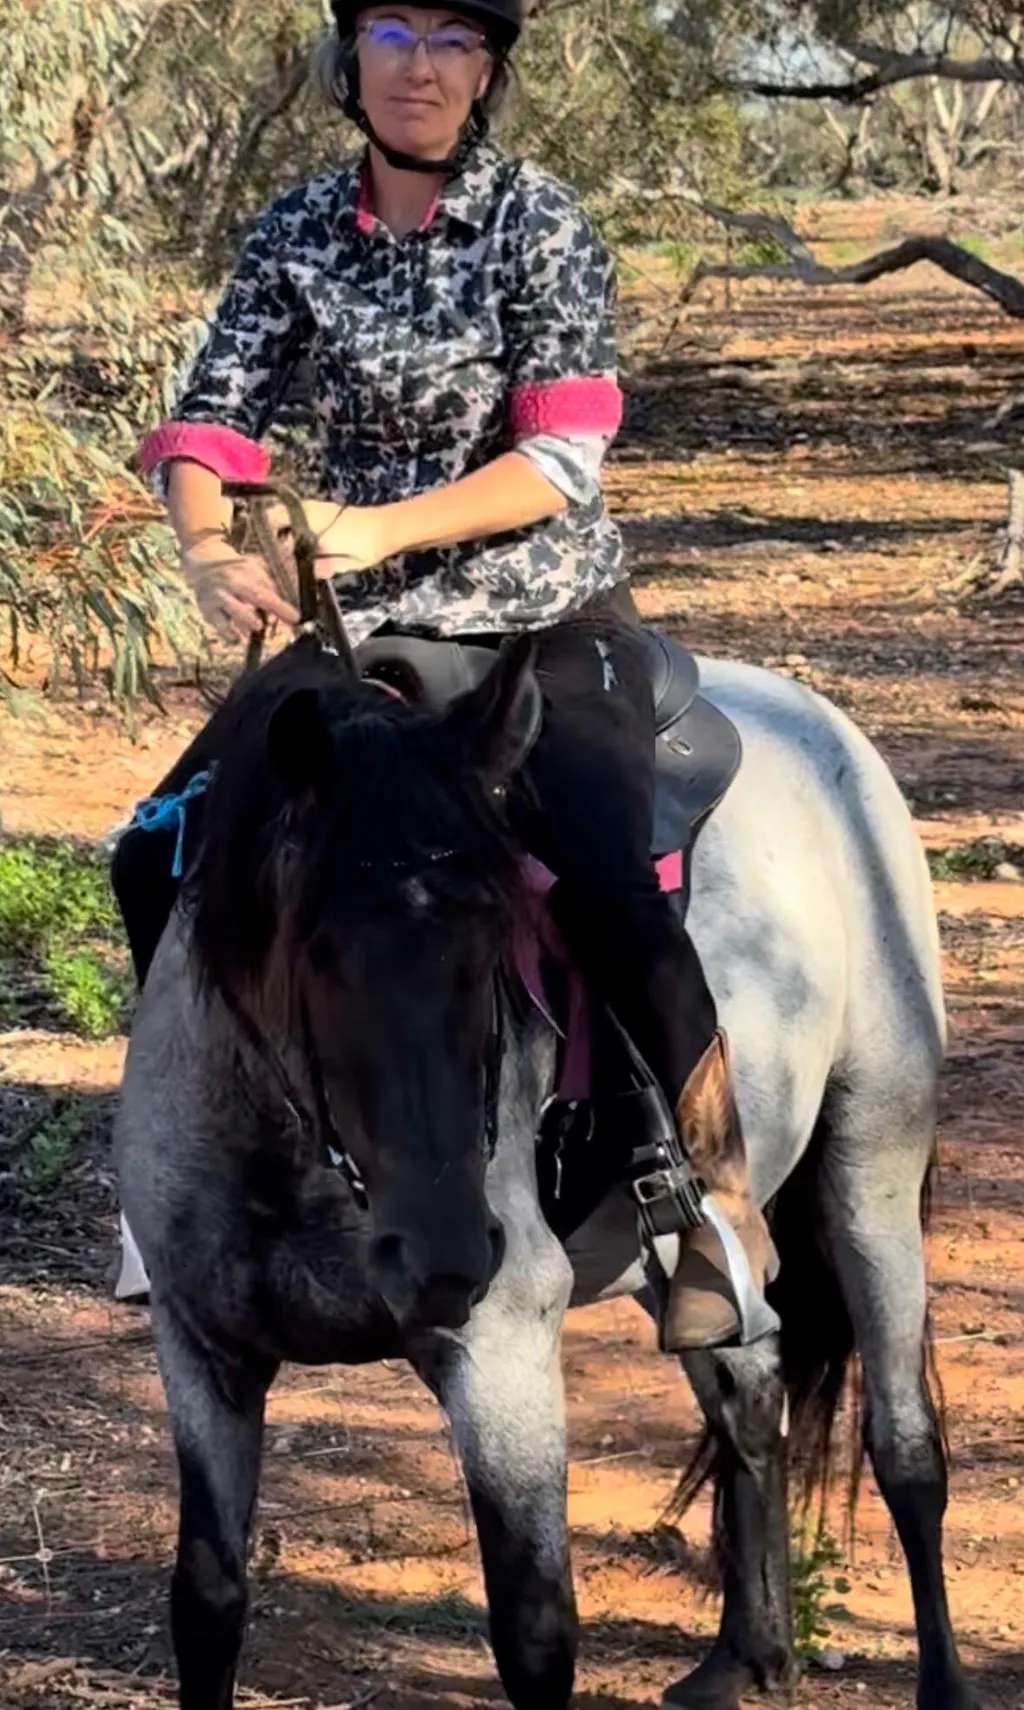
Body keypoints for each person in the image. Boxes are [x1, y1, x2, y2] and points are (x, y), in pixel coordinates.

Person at [117, 0, 778, 1351]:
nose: (419, 65)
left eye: (453, 39)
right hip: (354, 638)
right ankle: (185, 1174)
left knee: (606, 883)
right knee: (157, 850)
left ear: (488, 70)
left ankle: (714, 1193)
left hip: (541, 622)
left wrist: (372, 529)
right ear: (348, 58)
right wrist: (207, 549)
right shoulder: (298, 229)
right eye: (393, 31)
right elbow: (213, 425)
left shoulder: (539, 224)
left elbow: (559, 460)